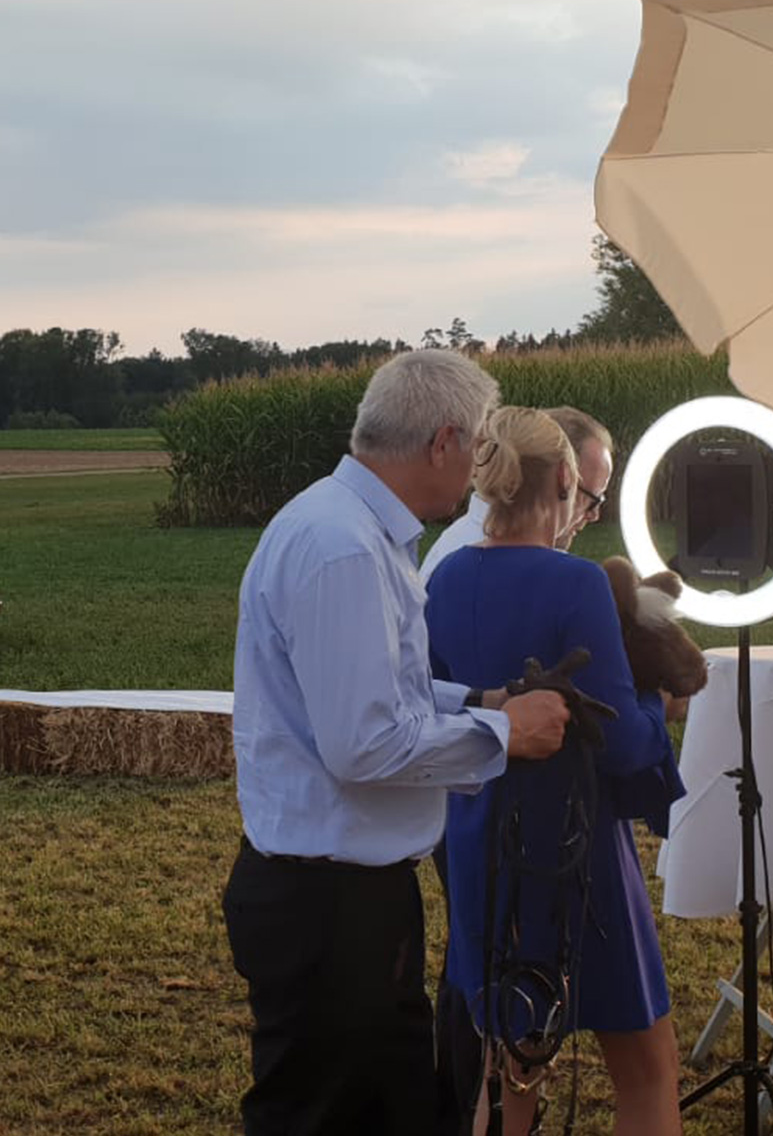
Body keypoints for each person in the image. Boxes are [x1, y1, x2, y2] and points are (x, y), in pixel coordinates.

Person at [222, 350, 572, 1136]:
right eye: (481, 448)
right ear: (444, 441)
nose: (483, 474)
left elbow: (371, 694)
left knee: (377, 1107)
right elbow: (364, 744)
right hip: (332, 904)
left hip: (341, 892)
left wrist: (476, 699)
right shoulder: (344, 547)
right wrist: (503, 733)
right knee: (327, 1114)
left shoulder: (346, 527)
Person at [424, 406, 684, 1136]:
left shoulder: (444, 582)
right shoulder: (578, 585)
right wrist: (652, 701)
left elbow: (439, 704)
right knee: (647, 1062)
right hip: (577, 850)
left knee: (506, 1066)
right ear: (568, 479)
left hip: (481, 841)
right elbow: (621, 739)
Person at [419, 405, 613, 584]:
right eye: (592, 499)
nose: (594, 515)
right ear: (562, 477)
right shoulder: (568, 580)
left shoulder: (451, 556)